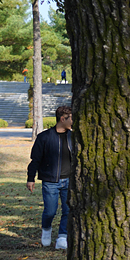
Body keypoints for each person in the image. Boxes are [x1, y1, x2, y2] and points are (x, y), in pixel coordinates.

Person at [27, 106, 74, 250]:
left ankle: (62, 237)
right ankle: (46, 230)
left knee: (68, 210)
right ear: (62, 119)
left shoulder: (73, 137)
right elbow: (35, 159)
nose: (73, 121)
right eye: (71, 118)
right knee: (50, 211)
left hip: (69, 180)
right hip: (50, 181)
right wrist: (31, 178)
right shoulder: (44, 137)